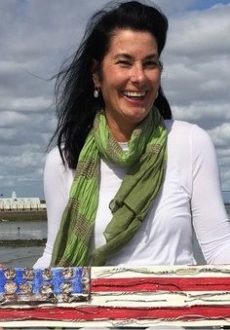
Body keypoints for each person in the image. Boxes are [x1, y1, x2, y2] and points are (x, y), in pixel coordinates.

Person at [34, 0, 230, 271]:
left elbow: (219, 246)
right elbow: (53, 253)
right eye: (124, 63)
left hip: (177, 308)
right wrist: (14, 287)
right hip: (94, 311)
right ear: (96, 74)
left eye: (149, 63)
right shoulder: (63, 159)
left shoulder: (189, 142)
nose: (139, 77)